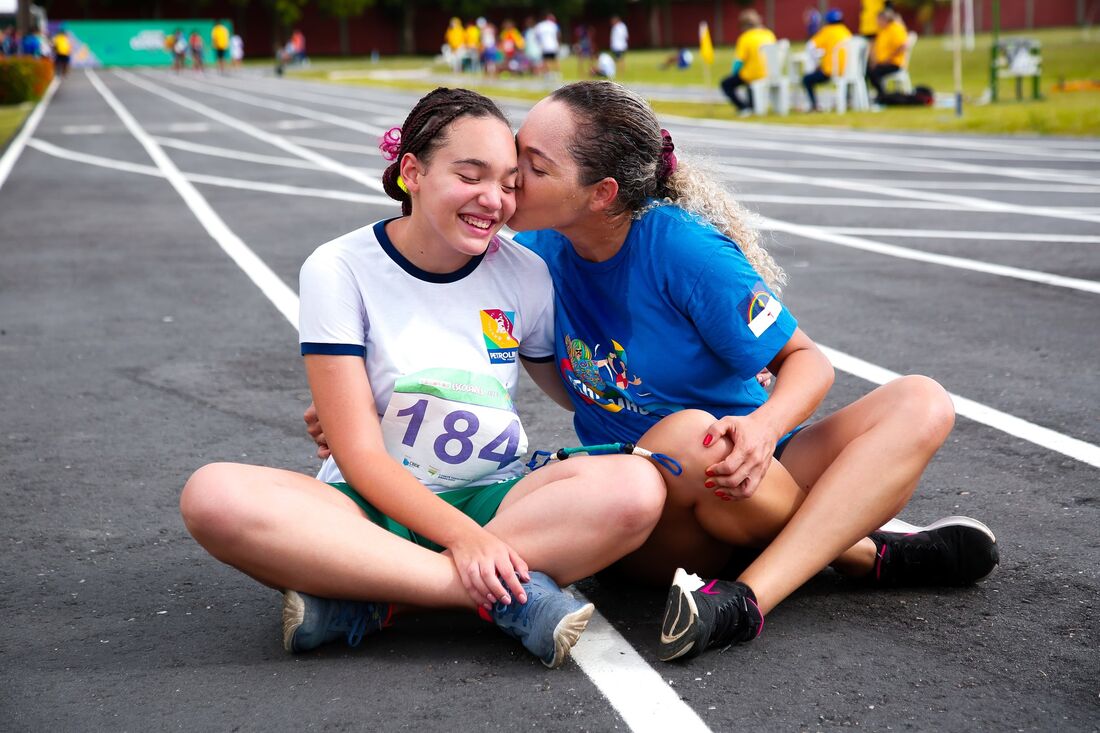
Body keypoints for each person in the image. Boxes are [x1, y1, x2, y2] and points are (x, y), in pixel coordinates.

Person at [309, 81, 998, 662]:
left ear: (602, 192)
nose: (509, 180)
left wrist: (762, 429)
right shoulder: (530, 257)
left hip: (754, 465)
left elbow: (807, 362)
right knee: (687, 435)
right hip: (653, 498)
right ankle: (854, 552)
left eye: (532, 167)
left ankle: (751, 597)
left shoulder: (683, 251)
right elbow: (440, 317)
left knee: (922, 400)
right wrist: (370, 400)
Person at [180, 88, 667, 669]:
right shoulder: (339, 269)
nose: (494, 200)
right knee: (213, 497)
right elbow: (359, 457)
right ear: (412, 171)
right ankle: (498, 595)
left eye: (510, 182)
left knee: (636, 490)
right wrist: (467, 543)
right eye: (470, 175)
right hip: (364, 507)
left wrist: (695, 393)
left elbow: (577, 389)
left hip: (496, 499)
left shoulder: (526, 272)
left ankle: (377, 601)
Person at [720, 9, 777, 116]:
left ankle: (743, 107)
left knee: (726, 84)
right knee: (749, 81)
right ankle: (752, 105)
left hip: (752, 75)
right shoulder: (769, 34)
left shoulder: (745, 38)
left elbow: (738, 62)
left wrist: (734, 73)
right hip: (769, 73)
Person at [802, 8, 852, 112]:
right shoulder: (846, 32)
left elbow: (810, 46)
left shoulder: (827, 31)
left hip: (831, 71)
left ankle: (814, 106)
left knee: (806, 80)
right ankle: (848, 100)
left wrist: (815, 62)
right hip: (848, 70)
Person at [867, 8, 909, 99]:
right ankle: (880, 94)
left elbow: (903, 46)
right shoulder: (883, 30)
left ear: (884, 19)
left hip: (894, 63)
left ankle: (883, 96)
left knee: (873, 73)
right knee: (867, 70)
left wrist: (889, 59)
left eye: (878, 20)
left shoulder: (895, 29)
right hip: (882, 63)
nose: (877, 23)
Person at [533, 13, 560, 77]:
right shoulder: (553, 25)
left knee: (545, 60)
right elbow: (558, 35)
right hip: (553, 45)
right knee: (555, 60)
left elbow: (536, 35)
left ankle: (547, 74)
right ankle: (557, 73)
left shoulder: (539, 25)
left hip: (544, 45)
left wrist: (539, 43)